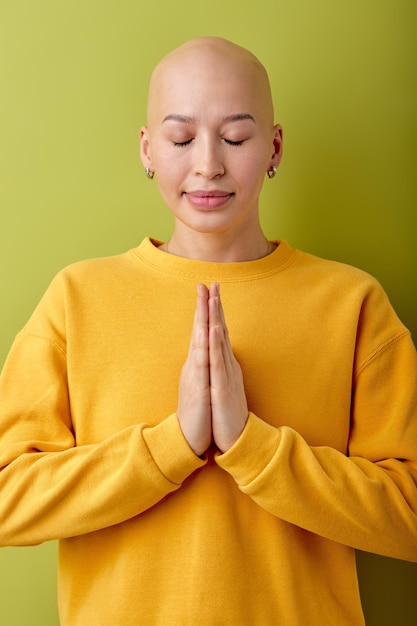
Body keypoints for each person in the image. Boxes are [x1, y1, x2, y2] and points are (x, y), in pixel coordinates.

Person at [0, 36, 416, 626]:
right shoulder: (77, 299)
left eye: (236, 137)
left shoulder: (351, 303)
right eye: (180, 137)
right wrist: (173, 446)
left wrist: (254, 448)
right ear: (147, 150)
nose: (208, 164)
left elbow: (408, 513)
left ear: (273, 147)